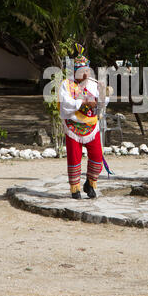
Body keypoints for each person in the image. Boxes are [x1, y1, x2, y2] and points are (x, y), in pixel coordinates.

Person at [58, 44, 110, 200]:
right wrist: (84, 103)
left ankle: (90, 182)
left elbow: (103, 103)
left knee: (97, 155)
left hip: (91, 126)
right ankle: (75, 189)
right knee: (74, 157)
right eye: (82, 71)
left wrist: (101, 92)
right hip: (73, 127)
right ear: (75, 72)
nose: (85, 74)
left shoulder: (93, 84)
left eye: (87, 70)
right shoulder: (66, 85)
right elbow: (66, 103)